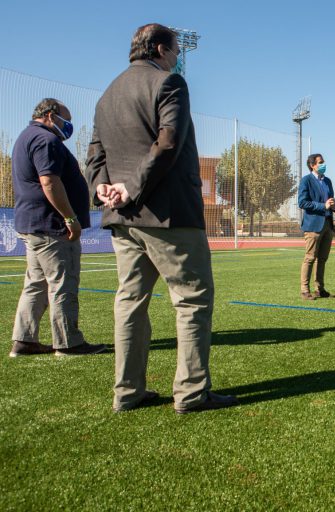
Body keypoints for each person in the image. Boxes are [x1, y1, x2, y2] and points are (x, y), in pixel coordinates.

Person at [86, 23, 237, 413]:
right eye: (174, 51)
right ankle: (191, 392)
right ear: (160, 49)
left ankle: (128, 391)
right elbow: (168, 141)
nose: (177, 58)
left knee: (130, 302)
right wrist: (131, 188)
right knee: (192, 301)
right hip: (168, 216)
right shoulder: (169, 83)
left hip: (122, 218)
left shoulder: (107, 95)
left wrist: (104, 188)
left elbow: (95, 155)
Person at [9, 99, 106, 358]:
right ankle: (68, 342)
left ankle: (24, 340)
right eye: (66, 118)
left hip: (34, 224)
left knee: (36, 284)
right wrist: (70, 218)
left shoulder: (26, 137)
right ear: (51, 116)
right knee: (63, 283)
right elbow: (49, 181)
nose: (69, 125)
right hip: (51, 226)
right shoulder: (46, 140)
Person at [298, 153, 335, 300]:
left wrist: (333, 206)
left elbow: (330, 200)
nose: (323, 164)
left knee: (322, 259)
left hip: (328, 223)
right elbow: (302, 202)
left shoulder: (328, 181)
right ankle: (304, 290)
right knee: (310, 258)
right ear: (312, 165)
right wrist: (322, 206)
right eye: (320, 162)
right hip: (313, 225)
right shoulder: (306, 181)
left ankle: (319, 289)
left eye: (323, 161)